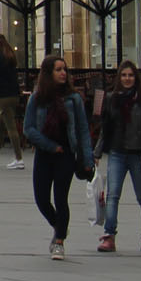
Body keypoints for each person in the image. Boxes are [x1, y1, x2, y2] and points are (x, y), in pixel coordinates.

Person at [22, 54, 92, 261]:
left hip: (67, 154)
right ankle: (58, 225)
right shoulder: (37, 98)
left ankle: (59, 241)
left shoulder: (74, 98)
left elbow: (83, 130)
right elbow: (29, 128)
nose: (63, 73)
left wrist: (87, 160)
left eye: (65, 69)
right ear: (48, 73)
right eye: (58, 69)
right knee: (41, 198)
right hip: (45, 153)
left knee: (61, 197)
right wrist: (50, 146)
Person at [94, 59, 141, 253]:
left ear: (135, 78)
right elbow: (106, 129)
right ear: (119, 78)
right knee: (113, 195)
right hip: (117, 152)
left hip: (138, 154)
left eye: (130, 75)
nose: (127, 78)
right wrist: (96, 152)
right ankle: (109, 235)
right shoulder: (112, 99)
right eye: (124, 75)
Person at [0, 34, 25, 170]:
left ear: (1, 44)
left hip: (5, 96)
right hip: (13, 95)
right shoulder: (10, 57)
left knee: (11, 127)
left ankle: (19, 158)